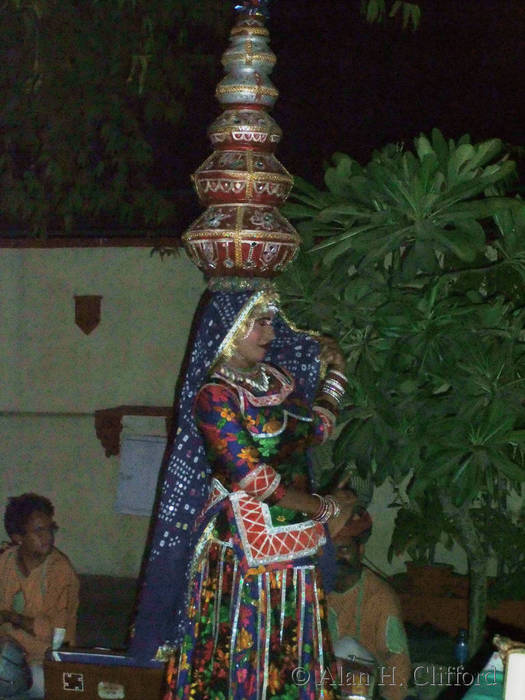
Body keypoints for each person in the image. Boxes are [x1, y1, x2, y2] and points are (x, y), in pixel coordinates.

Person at [131, 286, 356, 699]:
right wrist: (325, 509)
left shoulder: (279, 381)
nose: (269, 333)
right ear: (232, 329)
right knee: (244, 647)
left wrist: (337, 374)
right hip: (243, 547)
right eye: (259, 323)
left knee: (294, 646)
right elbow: (256, 480)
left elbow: (317, 430)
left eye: (272, 321)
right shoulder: (214, 396)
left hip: (296, 543)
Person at [327, 510, 412, 700]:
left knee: (347, 648)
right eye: (330, 551)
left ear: (361, 550)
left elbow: (397, 657)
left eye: (344, 550)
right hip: (317, 681)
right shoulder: (313, 588)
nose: (336, 558)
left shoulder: (380, 597)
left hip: (362, 687)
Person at [0, 493, 79, 698]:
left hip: (44, 661)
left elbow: (56, 634)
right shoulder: (6, 561)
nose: (48, 537)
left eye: (50, 529)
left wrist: (10, 617)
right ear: (18, 537)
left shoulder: (60, 570)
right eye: (39, 531)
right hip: (8, 653)